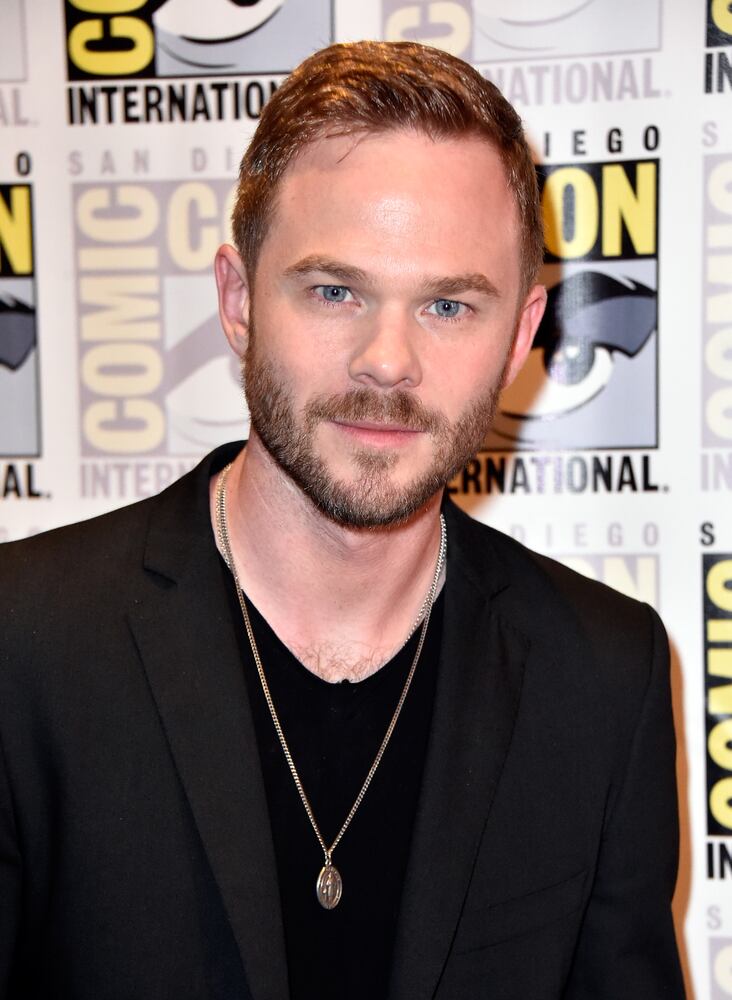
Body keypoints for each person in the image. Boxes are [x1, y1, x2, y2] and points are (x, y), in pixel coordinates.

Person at [0, 40, 684, 1000]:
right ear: (239, 300)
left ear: (521, 335)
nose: (387, 360)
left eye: (449, 305)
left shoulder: (601, 676)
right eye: (335, 291)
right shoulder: (25, 643)